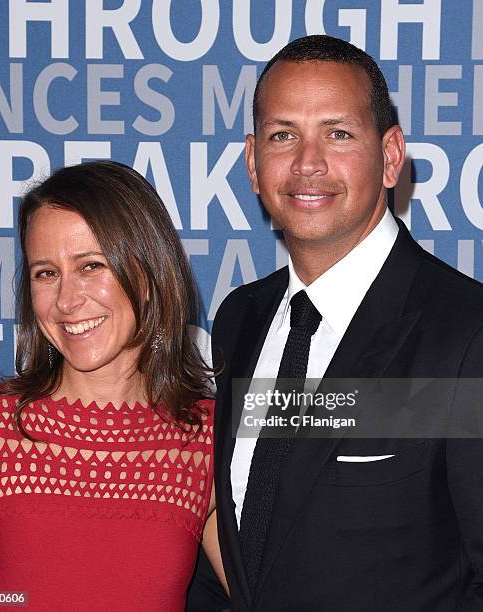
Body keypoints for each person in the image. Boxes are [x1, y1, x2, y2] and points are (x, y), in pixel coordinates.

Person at [187, 35, 483, 611]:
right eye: (283, 135)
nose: (307, 164)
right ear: (252, 162)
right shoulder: (240, 319)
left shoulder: (466, 334)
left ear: (391, 156)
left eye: (338, 133)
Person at [0, 161, 227, 611]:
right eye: (46, 273)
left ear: (148, 274)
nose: (66, 300)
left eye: (91, 266)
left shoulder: (209, 441)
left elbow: (278, 590)